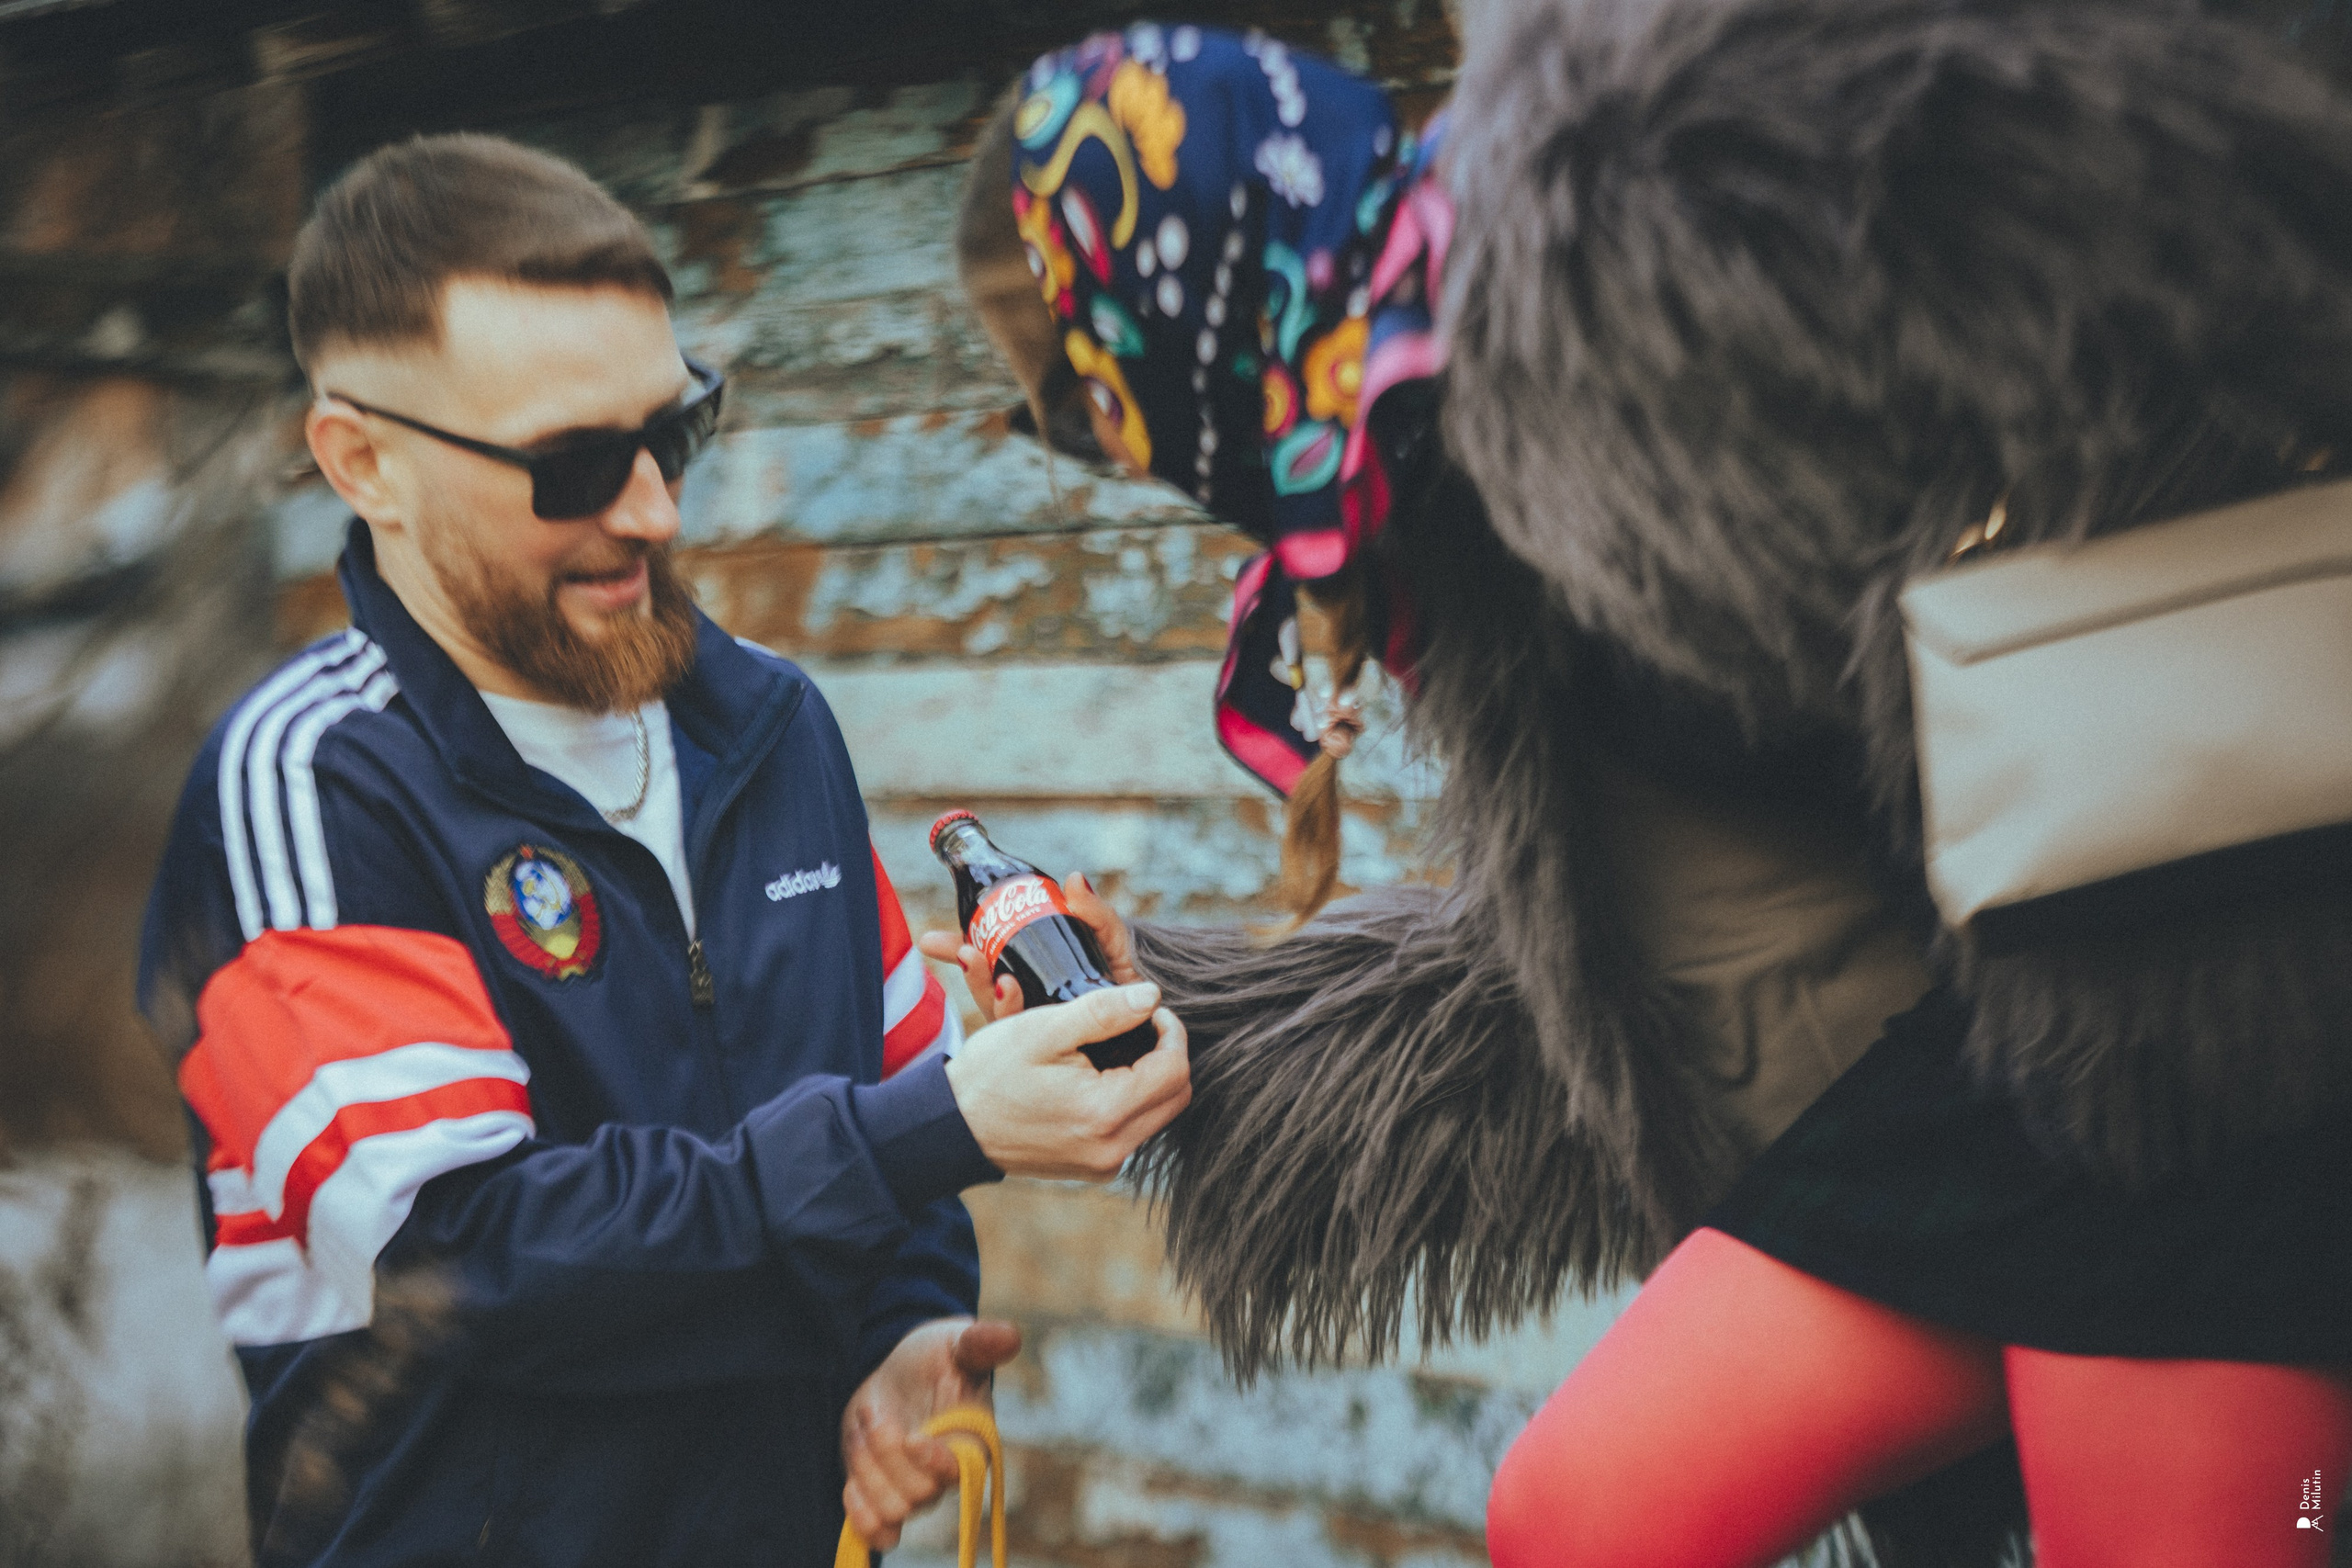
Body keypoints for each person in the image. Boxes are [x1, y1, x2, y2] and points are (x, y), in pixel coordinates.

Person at [136, 131, 1192, 1568]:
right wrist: (935, 1128)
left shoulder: (773, 725)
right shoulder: (310, 786)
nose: (654, 507)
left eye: (674, 430)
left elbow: (889, 1112)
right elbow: (472, 1262)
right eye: (573, 462)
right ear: (364, 461)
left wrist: (903, 1334)